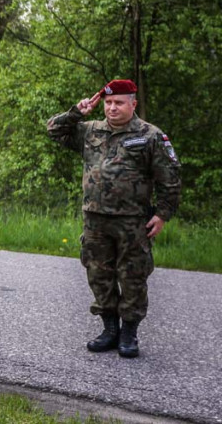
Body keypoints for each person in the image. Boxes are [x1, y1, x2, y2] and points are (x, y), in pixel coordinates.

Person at [47, 79, 180, 358]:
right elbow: (54, 130)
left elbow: (169, 178)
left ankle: (129, 332)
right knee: (99, 274)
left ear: (133, 103)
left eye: (119, 102)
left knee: (133, 277)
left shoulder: (149, 135)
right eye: (108, 103)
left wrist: (162, 214)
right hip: (95, 219)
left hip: (133, 221)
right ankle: (109, 329)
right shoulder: (90, 130)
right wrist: (77, 112)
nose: (112, 108)